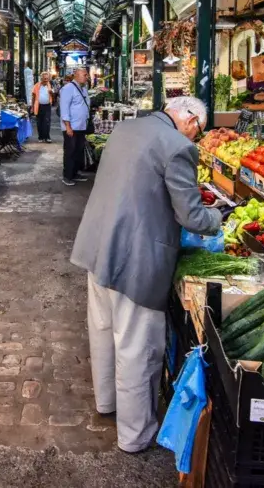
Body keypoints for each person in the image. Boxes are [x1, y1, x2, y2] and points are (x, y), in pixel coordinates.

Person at [70, 96, 222, 453]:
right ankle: (134, 435)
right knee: (136, 348)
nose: (196, 136)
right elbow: (192, 217)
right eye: (197, 129)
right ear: (188, 118)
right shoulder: (178, 147)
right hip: (135, 258)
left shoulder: (126, 128)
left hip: (97, 245)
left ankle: (107, 402)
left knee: (104, 332)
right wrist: (221, 219)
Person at [59, 67, 91, 186]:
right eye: (85, 75)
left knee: (78, 151)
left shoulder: (83, 89)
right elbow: (64, 108)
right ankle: (67, 176)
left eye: (86, 75)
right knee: (70, 151)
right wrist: (68, 126)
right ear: (76, 75)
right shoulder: (68, 89)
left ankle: (75, 173)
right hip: (71, 126)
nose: (87, 77)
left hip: (81, 125)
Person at [32, 71, 54, 143]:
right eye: (44, 79)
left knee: (47, 122)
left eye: (47, 79)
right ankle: (40, 137)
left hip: (47, 106)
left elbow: (53, 96)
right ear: (41, 78)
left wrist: (52, 93)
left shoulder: (50, 85)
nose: (46, 80)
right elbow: (33, 96)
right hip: (38, 106)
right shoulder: (36, 85)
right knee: (39, 122)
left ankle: (47, 137)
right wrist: (32, 107)